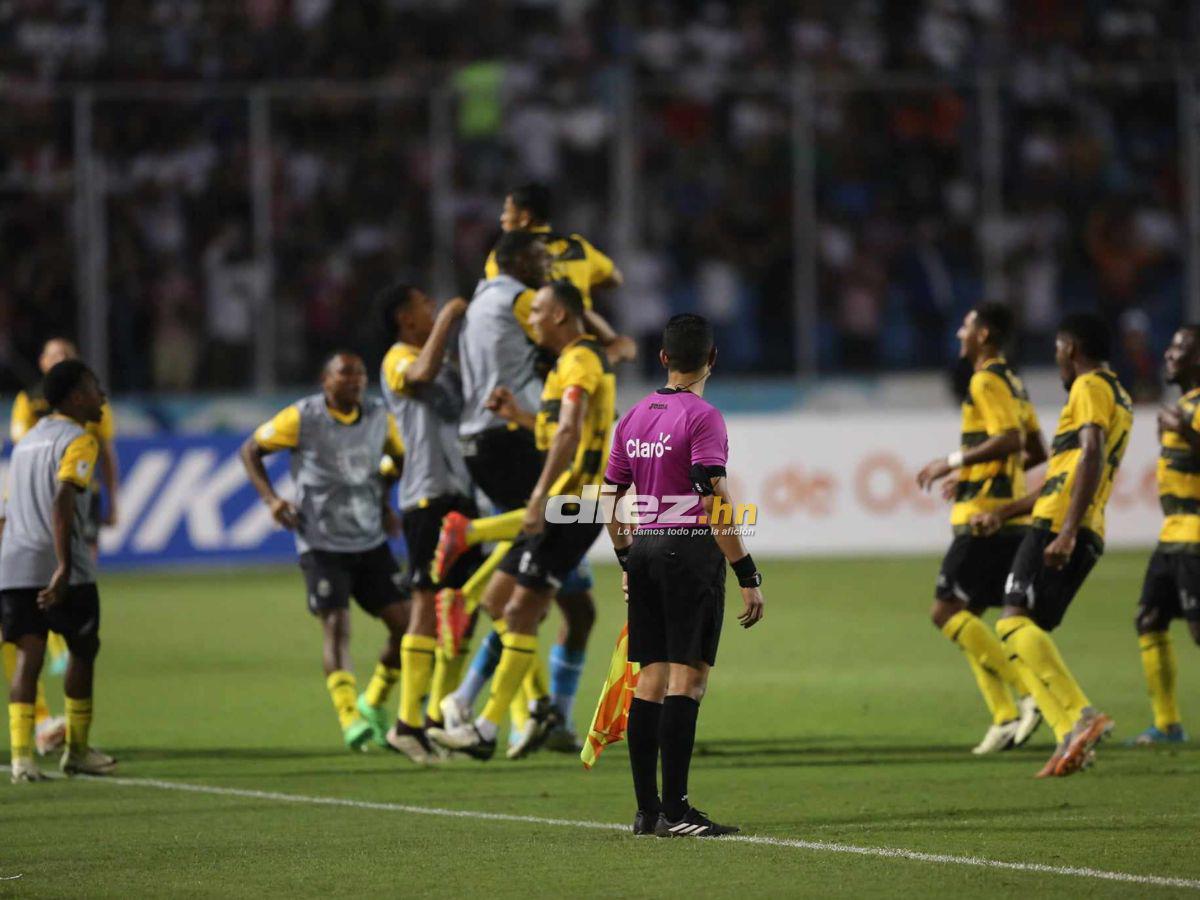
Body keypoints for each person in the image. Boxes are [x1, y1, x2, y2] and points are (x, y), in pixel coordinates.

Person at [431, 281, 615, 760]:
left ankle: (488, 727)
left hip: (575, 505)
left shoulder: (580, 360)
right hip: (567, 503)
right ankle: (467, 704)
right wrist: (518, 414)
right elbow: (562, 428)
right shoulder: (567, 364)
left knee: (519, 613)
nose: (530, 318)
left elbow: (570, 432)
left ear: (559, 315)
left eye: (537, 311)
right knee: (497, 602)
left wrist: (537, 494)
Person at [604, 313, 765, 838]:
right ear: (712, 359)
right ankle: (677, 811)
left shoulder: (633, 417)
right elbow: (712, 497)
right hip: (689, 552)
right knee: (688, 679)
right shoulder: (704, 417)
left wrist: (627, 559)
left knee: (650, 678)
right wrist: (746, 572)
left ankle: (647, 811)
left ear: (663, 357)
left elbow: (609, 498)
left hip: (646, 550)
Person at [973, 313, 1132, 777]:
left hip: (1062, 524)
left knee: (1010, 624)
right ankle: (1068, 737)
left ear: (1071, 348)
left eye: (1059, 349)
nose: (1057, 358)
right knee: (1024, 634)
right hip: (1075, 521)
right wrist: (1004, 512)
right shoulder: (1118, 394)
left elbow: (1091, 455)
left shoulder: (1089, 386)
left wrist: (1066, 531)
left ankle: (1081, 715)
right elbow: (1066, 473)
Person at [240, 352, 410, 752]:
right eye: (345, 373)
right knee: (337, 626)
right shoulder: (301, 417)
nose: (355, 380)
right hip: (321, 542)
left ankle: (373, 702)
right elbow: (250, 450)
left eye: (360, 374)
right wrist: (271, 500)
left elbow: (399, 458)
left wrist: (384, 502)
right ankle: (350, 717)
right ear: (325, 380)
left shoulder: (379, 417)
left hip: (370, 539)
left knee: (406, 628)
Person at [916, 304, 1046, 754]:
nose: (960, 332)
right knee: (967, 614)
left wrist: (952, 462)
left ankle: (1030, 693)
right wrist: (973, 474)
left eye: (967, 326)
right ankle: (1004, 716)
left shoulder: (985, 379)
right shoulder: (1014, 382)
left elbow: (1010, 439)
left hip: (984, 518)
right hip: (1006, 514)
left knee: (944, 611)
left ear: (984, 334)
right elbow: (1035, 449)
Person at [375, 283, 483, 763]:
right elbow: (419, 375)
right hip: (425, 495)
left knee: (462, 605)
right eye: (425, 306)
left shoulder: (445, 362)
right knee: (425, 602)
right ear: (406, 318)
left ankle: (437, 718)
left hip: (460, 493)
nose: (434, 308)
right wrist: (449, 319)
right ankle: (406, 723)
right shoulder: (397, 358)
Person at [1, 359, 117, 782]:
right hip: (62, 566)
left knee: (28, 656)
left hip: (15, 563)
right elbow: (63, 498)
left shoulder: (26, 443)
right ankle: (78, 751)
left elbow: (8, 506)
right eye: (95, 388)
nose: (102, 396)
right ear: (75, 397)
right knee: (82, 651)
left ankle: (21, 759)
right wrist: (65, 566)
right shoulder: (80, 440)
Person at [1129, 325, 1200, 745]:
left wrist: (1185, 430)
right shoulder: (1184, 406)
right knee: (1149, 619)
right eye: (1171, 347)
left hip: (1195, 535)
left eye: (1180, 349)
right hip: (1173, 535)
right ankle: (1168, 724)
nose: (1170, 355)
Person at [484, 182, 636, 365]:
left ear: (524, 218)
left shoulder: (507, 258)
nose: (502, 218)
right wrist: (580, 286)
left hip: (536, 358)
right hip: (585, 343)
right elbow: (615, 278)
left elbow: (500, 301)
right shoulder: (579, 248)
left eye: (507, 211)